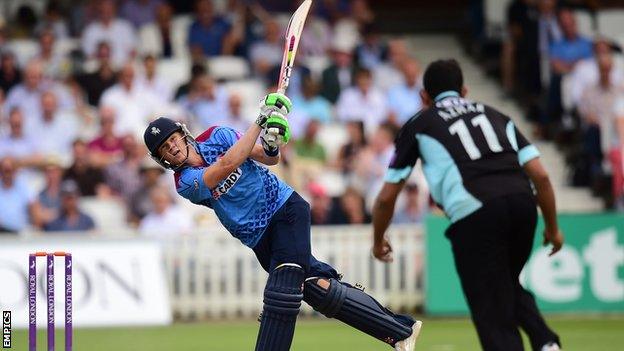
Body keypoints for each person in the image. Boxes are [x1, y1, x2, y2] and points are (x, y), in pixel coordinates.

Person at [143, 93, 421, 351]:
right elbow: (226, 165)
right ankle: (400, 331)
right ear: (162, 158)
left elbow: (268, 157)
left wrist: (271, 142)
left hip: (285, 210)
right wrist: (260, 121)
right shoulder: (184, 183)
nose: (173, 148)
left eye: (173, 140)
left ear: (183, 134)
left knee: (282, 292)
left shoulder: (218, 134)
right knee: (318, 290)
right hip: (259, 240)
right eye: (166, 148)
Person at [371, 59, 563, 351]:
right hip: (523, 204)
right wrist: (552, 227)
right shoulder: (497, 115)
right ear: (464, 90)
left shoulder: (419, 123)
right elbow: (542, 175)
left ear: (424, 96)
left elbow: (386, 197)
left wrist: (378, 239)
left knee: (490, 306)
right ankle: (547, 343)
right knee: (505, 284)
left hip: (475, 211)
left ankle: (541, 343)